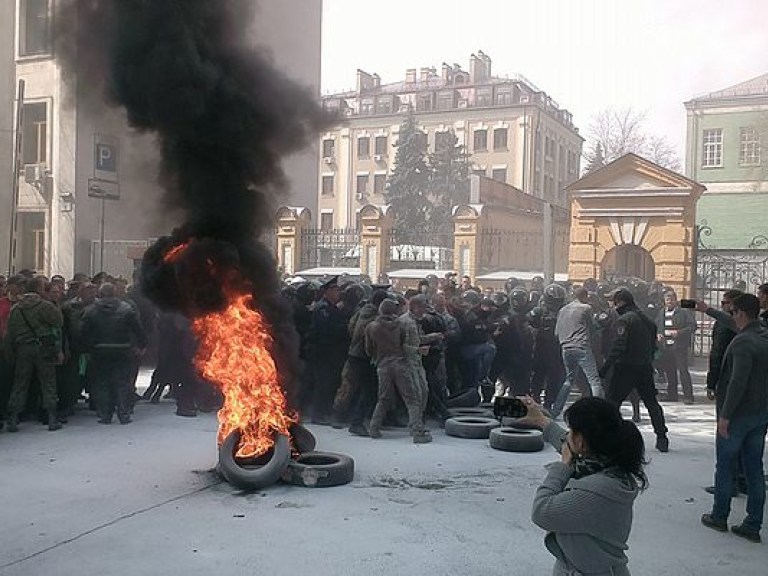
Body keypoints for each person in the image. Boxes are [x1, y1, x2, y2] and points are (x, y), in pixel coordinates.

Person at [520, 396, 647, 576]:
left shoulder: (594, 491)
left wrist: (562, 466)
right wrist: (541, 420)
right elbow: (566, 442)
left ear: (581, 442)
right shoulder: (608, 463)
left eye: (572, 430)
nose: (567, 435)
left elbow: (541, 512)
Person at [701, 294, 768, 543]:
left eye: (732, 312)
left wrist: (725, 415)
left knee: (726, 465)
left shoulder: (742, 343)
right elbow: (732, 325)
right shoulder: (762, 334)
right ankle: (753, 524)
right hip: (760, 414)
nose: (730, 316)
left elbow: (737, 382)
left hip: (737, 415)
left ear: (739, 312)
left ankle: (719, 515)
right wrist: (707, 310)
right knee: (754, 468)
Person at [600, 288, 670, 453]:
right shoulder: (646, 319)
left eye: (613, 301)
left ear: (621, 302)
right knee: (652, 403)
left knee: (612, 403)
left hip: (625, 368)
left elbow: (618, 347)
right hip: (644, 367)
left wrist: (605, 367)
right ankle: (662, 437)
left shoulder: (625, 320)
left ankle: (606, 437)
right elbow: (653, 345)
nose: (612, 305)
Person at [365, 298, 431, 443]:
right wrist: (417, 350)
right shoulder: (400, 325)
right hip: (400, 364)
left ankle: (374, 427)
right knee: (412, 399)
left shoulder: (372, 327)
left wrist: (379, 356)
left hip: (383, 365)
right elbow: (403, 346)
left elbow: (369, 349)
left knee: (383, 398)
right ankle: (417, 432)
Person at [4, 277, 65, 432]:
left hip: (23, 349)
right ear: (39, 290)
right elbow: (59, 322)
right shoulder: (44, 306)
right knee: (48, 383)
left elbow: (9, 334)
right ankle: (52, 418)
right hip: (43, 348)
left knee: (20, 384)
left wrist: (9, 352)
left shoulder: (16, 309)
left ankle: (13, 419)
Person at [81, 283, 147, 424]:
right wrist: (141, 345)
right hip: (122, 350)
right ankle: (124, 414)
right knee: (123, 382)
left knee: (103, 383)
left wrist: (88, 348)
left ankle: (105, 415)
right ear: (114, 293)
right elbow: (138, 329)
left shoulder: (91, 311)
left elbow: (84, 332)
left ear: (100, 293)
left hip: (100, 351)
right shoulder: (126, 309)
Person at [552, 287, 604, 417]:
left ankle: (555, 411)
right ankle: (600, 411)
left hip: (565, 347)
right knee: (594, 380)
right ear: (585, 296)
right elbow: (593, 327)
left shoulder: (562, 310)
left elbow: (556, 332)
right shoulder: (585, 308)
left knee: (568, 380)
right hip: (581, 346)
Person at [655, 291, 696, 403]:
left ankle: (688, 396)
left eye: (671, 299)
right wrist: (658, 334)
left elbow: (692, 326)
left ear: (675, 300)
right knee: (670, 371)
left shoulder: (683, 312)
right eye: (667, 300)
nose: (669, 302)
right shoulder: (661, 312)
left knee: (683, 371)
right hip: (666, 347)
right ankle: (672, 395)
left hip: (679, 346)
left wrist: (679, 332)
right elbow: (657, 326)